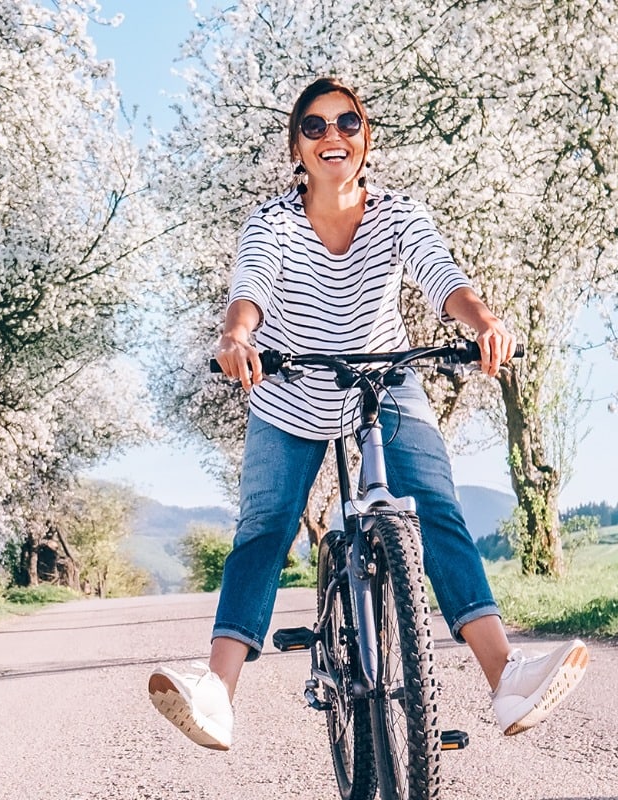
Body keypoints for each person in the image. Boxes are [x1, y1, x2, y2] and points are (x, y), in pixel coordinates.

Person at [147, 78, 589, 752]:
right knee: (264, 530)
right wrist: (238, 337)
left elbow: (441, 276)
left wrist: (484, 321)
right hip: (290, 387)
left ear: (365, 138)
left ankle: (507, 678)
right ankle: (218, 693)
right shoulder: (271, 222)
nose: (333, 137)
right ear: (297, 146)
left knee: (434, 507)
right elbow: (252, 287)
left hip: (381, 382)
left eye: (347, 123)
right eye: (316, 127)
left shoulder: (398, 215)